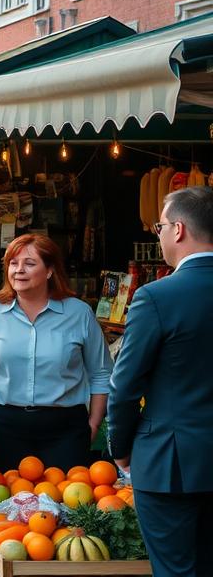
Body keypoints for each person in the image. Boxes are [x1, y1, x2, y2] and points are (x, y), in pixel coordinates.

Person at [110, 187, 213, 577]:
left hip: (170, 463)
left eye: (161, 226)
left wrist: (120, 450)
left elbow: (125, 386)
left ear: (180, 230)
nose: (160, 235)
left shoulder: (156, 297)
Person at [0, 234, 112, 471]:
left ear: (49, 271)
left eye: (29, 263)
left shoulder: (78, 313)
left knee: (64, 503)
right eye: (13, 263)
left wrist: (93, 425)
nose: (19, 270)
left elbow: (100, 374)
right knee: (2, 503)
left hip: (65, 430)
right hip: (3, 427)